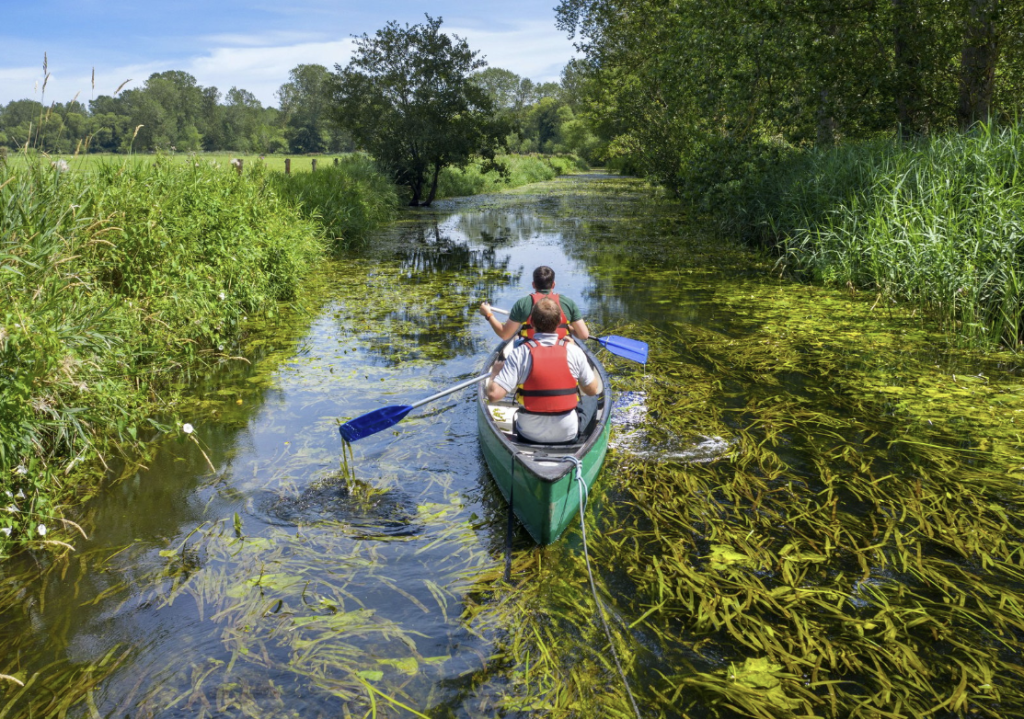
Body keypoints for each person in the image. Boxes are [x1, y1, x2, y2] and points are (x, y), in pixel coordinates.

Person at [485, 297, 602, 443]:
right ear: (559, 321)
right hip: (567, 435)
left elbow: (493, 395)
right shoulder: (574, 351)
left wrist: (495, 373)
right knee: (592, 398)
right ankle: (584, 443)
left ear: (532, 323)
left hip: (528, 435)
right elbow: (592, 390)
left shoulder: (520, 353)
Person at [479, 266, 590, 342]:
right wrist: (569, 328)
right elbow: (584, 335)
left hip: (531, 348)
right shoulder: (568, 303)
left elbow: (505, 334)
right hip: (562, 349)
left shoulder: (523, 304)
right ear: (553, 284)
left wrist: (489, 315)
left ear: (533, 284)